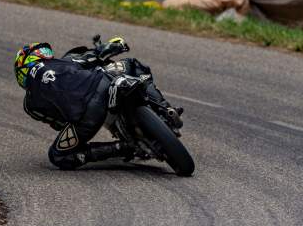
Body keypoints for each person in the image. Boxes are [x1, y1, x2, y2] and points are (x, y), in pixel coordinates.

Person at [14, 38, 182, 170]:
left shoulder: (30, 105)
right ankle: (167, 109)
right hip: (102, 85)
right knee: (132, 64)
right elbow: (95, 56)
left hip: (86, 117)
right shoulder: (66, 61)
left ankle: (122, 147)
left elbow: (59, 124)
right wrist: (114, 45)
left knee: (58, 156)